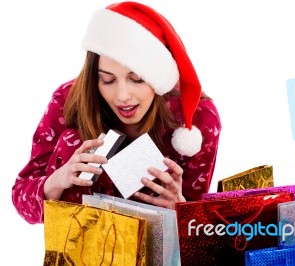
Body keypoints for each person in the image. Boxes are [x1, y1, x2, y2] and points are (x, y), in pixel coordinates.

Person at [12, 1, 221, 224]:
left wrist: (178, 207)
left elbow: (201, 230)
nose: (122, 96)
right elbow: (21, 196)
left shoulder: (197, 120)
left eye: (137, 79)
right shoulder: (68, 98)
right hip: (79, 244)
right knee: (73, 141)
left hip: (153, 247)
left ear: (158, 75)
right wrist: (57, 180)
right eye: (107, 80)